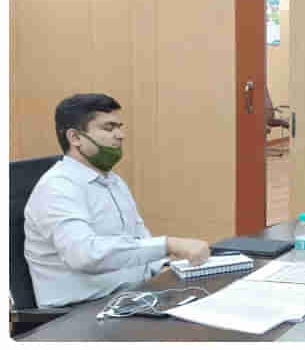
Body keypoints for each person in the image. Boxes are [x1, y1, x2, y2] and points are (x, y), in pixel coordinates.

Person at [24, 93, 211, 307]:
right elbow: (85, 255)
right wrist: (169, 245)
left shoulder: (113, 181)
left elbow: (137, 238)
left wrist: (166, 268)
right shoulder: (57, 187)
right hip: (80, 311)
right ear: (75, 138)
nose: (120, 135)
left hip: (131, 297)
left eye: (119, 127)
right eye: (109, 128)